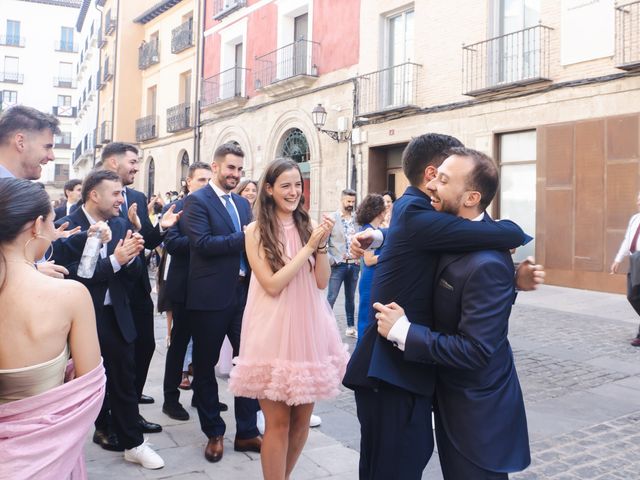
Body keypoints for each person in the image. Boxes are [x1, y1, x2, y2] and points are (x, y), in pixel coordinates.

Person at [342, 133, 531, 480]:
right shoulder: (420, 213)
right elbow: (493, 234)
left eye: (445, 178)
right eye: (438, 175)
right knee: (392, 467)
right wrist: (514, 238)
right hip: (391, 373)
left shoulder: (427, 219)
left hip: (438, 386)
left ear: (471, 196)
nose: (435, 184)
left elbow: (464, 255)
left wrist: (512, 277)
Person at [229, 158, 349, 480]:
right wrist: (307, 247)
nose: (294, 192)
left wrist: (320, 247)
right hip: (272, 326)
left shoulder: (307, 225)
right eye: (285, 185)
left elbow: (322, 282)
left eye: (298, 184)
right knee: (277, 423)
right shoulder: (254, 231)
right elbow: (271, 284)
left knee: (300, 422)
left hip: (309, 327)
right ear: (269, 189)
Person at [52, 169, 165, 469]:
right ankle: (63, 451)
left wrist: (131, 258)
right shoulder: (67, 226)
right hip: (80, 320)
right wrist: (116, 260)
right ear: (94, 195)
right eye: (114, 194)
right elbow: (76, 275)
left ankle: (133, 444)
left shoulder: (120, 223)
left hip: (116, 313)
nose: (121, 199)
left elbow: (134, 273)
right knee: (77, 389)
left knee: (124, 380)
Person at [0, 178, 104, 479]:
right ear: (36, 226)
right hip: (45, 455)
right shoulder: (69, 295)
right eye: (51, 223)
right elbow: (89, 389)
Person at [181, 143, 261, 463]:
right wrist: (246, 236)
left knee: (248, 364)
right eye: (231, 168)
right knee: (205, 367)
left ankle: (245, 431)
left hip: (244, 295)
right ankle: (214, 431)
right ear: (215, 167)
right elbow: (202, 244)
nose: (236, 174)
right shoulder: (196, 201)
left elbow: (251, 245)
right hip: (209, 297)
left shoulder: (243, 204)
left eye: (240, 170)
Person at [100, 142, 180, 413]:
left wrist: (161, 226)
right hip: (109, 291)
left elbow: (146, 240)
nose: (137, 167)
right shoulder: (97, 193)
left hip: (138, 289)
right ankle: (111, 412)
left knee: (145, 345)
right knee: (114, 356)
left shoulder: (135, 195)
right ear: (113, 162)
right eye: (133, 162)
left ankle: (131, 402)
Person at [0, 105, 77, 279]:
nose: (52, 156)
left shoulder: (26, 192)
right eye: (47, 147)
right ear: (20, 142)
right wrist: (31, 271)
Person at [162, 161, 212, 421]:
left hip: (208, 288)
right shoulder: (177, 208)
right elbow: (171, 243)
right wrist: (203, 243)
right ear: (188, 182)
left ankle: (201, 395)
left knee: (206, 345)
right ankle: (170, 399)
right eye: (201, 180)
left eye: (208, 179)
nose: (205, 184)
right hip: (183, 287)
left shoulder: (215, 207)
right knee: (179, 344)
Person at [327, 189, 360, 338]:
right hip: (338, 265)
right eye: (348, 201)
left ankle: (351, 327)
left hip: (354, 265)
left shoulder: (357, 219)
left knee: (350, 298)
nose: (350, 205)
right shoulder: (332, 218)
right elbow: (323, 244)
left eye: (353, 202)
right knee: (331, 297)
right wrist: (332, 260)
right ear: (341, 200)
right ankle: (323, 326)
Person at [354, 194, 386, 341]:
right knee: (366, 318)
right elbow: (369, 260)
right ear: (379, 211)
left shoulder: (373, 229)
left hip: (373, 277)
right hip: (370, 278)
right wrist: (390, 255)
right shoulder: (369, 231)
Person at [611, 191, 640, 346]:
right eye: (638, 200)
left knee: (637, 294)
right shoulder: (634, 218)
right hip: (634, 259)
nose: (639, 203)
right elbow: (626, 240)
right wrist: (617, 259)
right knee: (632, 295)